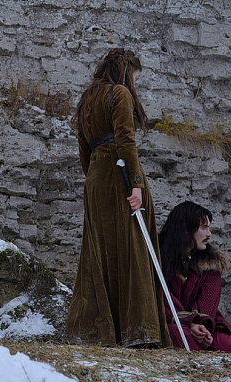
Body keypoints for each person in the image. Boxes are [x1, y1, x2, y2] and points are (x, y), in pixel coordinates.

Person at [65, 48, 171, 348]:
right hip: (120, 175)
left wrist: (94, 180)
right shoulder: (120, 93)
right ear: (125, 72)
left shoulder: (87, 99)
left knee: (99, 252)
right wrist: (135, 184)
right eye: (135, 78)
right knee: (132, 247)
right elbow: (126, 139)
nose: (135, 84)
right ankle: (138, 330)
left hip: (96, 179)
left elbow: (84, 151)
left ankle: (97, 330)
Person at [159, 201, 231, 353]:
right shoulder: (158, 261)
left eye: (209, 228)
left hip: (207, 325)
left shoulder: (211, 265)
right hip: (173, 323)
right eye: (204, 227)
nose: (209, 234)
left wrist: (200, 328)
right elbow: (162, 300)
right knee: (178, 333)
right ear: (185, 230)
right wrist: (189, 323)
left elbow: (207, 307)